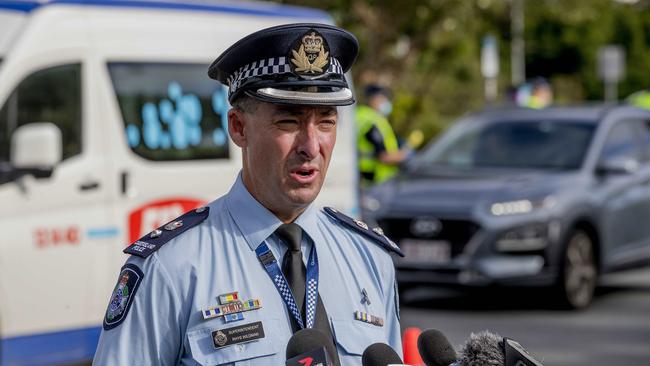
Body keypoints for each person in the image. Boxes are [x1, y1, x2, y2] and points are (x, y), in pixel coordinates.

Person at [93, 23, 403, 365]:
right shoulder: (172, 266)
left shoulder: (369, 258)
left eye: (326, 122)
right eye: (289, 122)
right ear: (238, 127)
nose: (311, 146)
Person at [355, 84, 410, 187]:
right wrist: (406, 155)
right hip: (376, 181)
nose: (385, 101)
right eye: (382, 98)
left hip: (362, 177)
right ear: (373, 99)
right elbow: (384, 157)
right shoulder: (372, 121)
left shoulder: (360, 114)